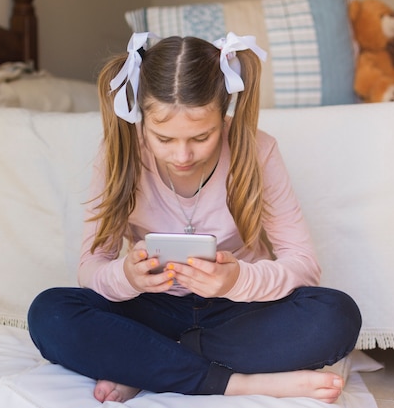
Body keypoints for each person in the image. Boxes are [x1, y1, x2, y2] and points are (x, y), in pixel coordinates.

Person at [28, 32, 362, 404]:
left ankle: (143, 364)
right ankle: (238, 383)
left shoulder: (257, 150)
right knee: (50, 313)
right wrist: (127, 277)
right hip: (151, 310)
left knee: (336, 315)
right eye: (164, 139)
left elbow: (303, 264)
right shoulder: (119, 154)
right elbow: (91, 266)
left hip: (236, 313)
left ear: (224, 116)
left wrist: (236, 281)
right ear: (142, 120)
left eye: (202, 137)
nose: (183, 155)